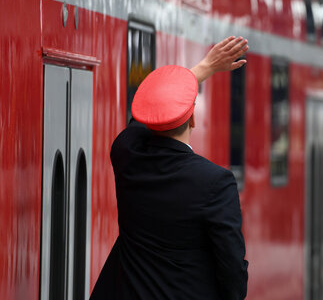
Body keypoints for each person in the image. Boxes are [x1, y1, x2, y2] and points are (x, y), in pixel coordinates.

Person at [90, 36, 250, 300]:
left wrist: (203, 68)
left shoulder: (127, 154)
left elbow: (142, 120)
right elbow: (232, 273)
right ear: (194, 118)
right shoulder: (215, 182)